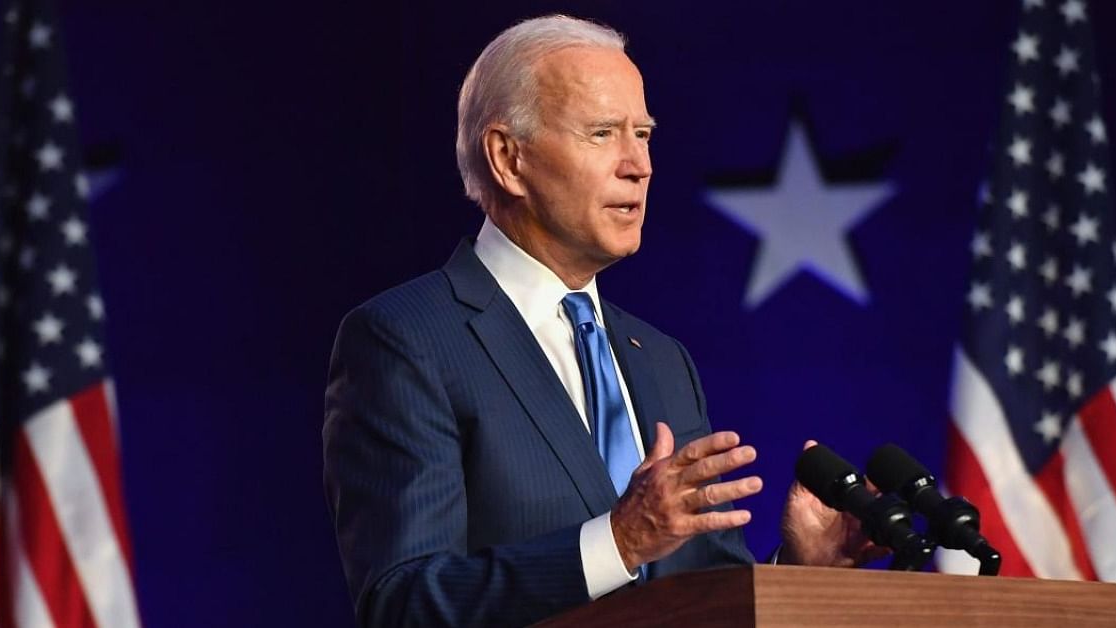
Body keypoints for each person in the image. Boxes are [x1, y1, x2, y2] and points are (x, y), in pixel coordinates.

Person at [323, 14, 877, 627]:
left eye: (643, 134)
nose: (638, 164)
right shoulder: (406, 337)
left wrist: (796, 568)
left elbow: (700, 592)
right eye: (603, 133)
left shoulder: (660, 357)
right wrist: (616, 542)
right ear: (509, 159)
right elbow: (403, 605)